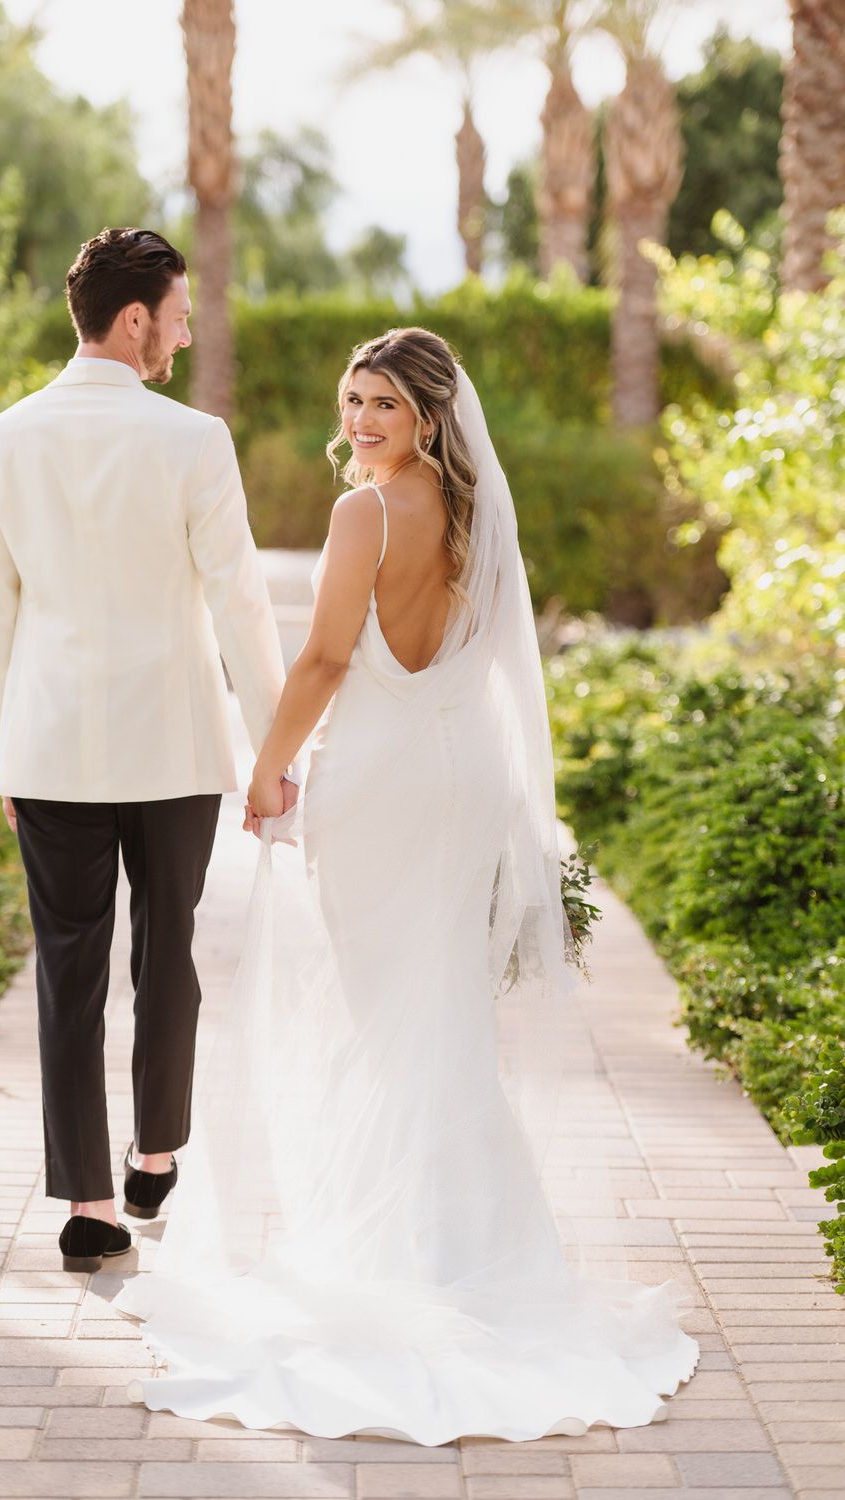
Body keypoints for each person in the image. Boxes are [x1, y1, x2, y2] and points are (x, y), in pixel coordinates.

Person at [114, 327, 700, 1443]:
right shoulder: (477, 513)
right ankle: (479, 1249)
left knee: (391, 1014)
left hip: (382, 781)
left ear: (428, 415)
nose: (361, 421)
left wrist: (268, 767)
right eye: (352, 400)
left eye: (383, 403)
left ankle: (408, 1251)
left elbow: (327, 661)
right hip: (462, 779)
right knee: (433, 1010)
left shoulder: (364, 513)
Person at [0, 227, 296, 1274]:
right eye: (178, 315)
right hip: (175, 745)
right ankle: (154, 1152)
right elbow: (239, 603)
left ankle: (92, 1206)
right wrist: (269, 750)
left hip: (50, 745)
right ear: (136, 317)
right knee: (167, 957)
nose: (185, 334)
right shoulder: (192, 441)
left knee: (68, 976)